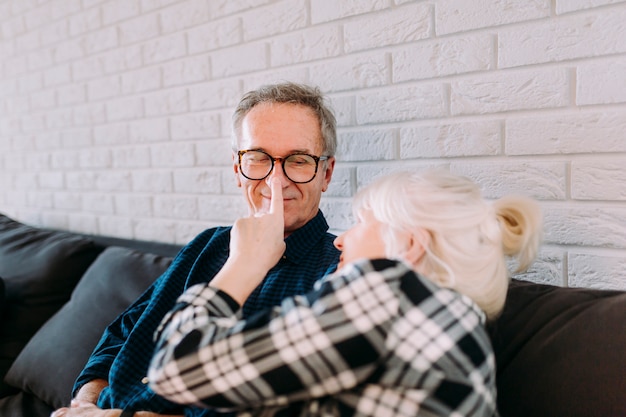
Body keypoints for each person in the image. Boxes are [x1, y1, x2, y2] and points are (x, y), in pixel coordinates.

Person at [147, 169, 543, 417]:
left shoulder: (392, 295)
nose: (342, 241)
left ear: (408, 246)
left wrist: (244, 263)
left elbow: (173, 369)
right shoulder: (451, 323)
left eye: (360, 223)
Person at [50, 82, 341, 417]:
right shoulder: (207, 245)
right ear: (237, 170)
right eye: (259, 158)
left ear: (326, 174)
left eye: (299, 160)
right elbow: (123, 333)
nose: (277, 180)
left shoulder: (338, 272)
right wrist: (85, 404)